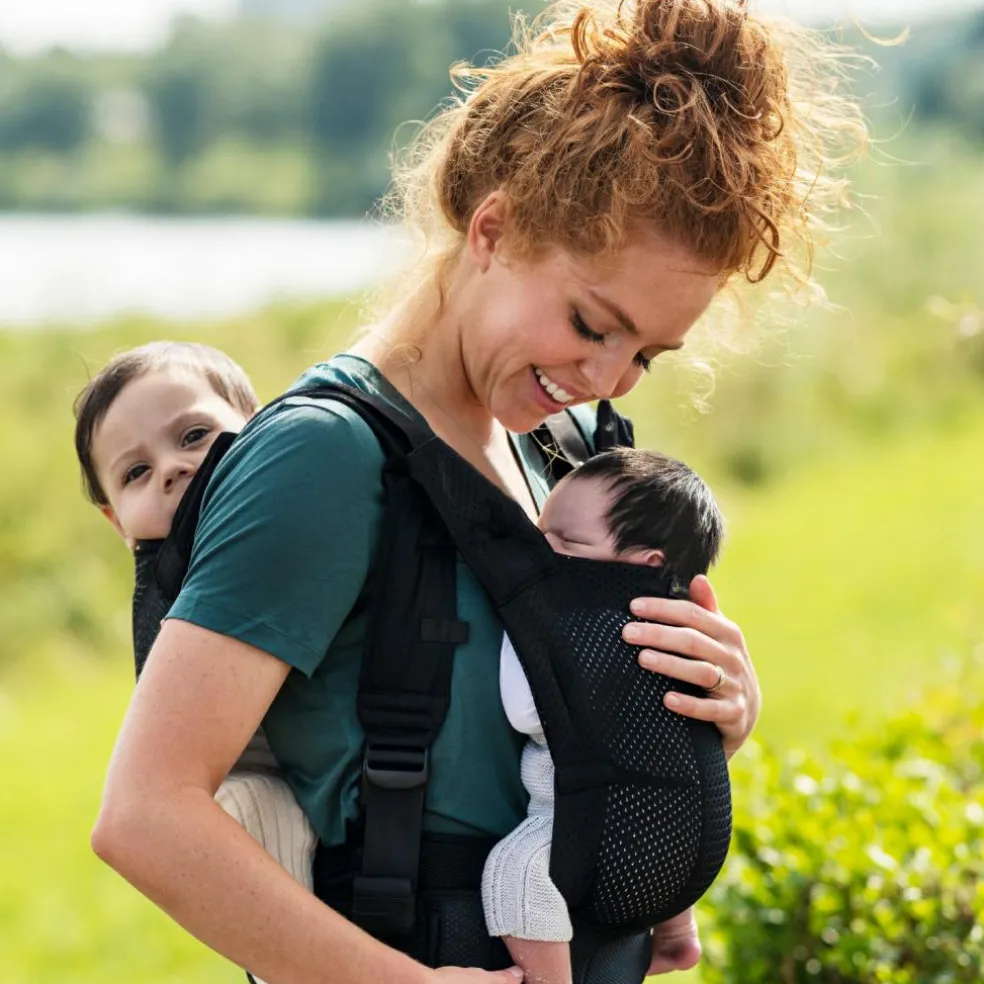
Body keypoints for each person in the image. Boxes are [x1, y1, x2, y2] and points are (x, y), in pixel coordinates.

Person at [89, 1, 867, 982]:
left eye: (649, 356)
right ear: (493, 229)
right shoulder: (325, 461)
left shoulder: (556, 449)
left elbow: (516, 755)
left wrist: (712, 708)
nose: (608, 378)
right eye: (592, 323)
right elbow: (146, 816)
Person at [73, 342, 318, 908]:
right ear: (117, 522)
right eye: (136, 472)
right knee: (250, 811)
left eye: (193, 436)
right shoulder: (165, 571)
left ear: (261, 429)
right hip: (256, 789)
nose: (173, 468)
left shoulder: (297, 511)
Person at [482, 447, 724, 984]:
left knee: (513, 873)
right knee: (651, 836)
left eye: (566, 542)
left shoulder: (585, 631)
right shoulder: (680, 629)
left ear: (647, 563)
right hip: (688, 834)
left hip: (590, 826)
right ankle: (679, 936)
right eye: (540, 532)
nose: (542, 551)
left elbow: (528, 711)